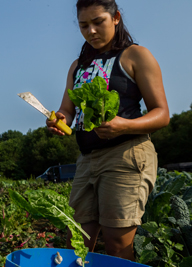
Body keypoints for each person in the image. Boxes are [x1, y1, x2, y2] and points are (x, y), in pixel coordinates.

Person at [46, 0, 169, 261]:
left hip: (126, 154)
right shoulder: (77, 65)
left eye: (98, 22)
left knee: (117, 246)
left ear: (116, 18)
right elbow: (67, 110)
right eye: (83, 25)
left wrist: (124, 125)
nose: (91, 31)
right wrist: (59, 120)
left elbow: (161, 114)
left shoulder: (135, 55)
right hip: (87, 160)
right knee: (75, 242)